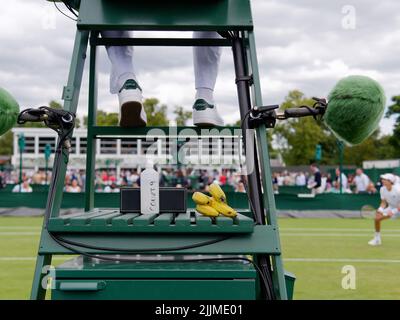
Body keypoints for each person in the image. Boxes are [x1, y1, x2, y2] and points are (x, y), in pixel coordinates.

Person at [368, 173, 400, 246]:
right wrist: (380, 209)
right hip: (392, 207)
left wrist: (394, 211)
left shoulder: (398, 189)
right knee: (377, 218)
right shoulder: (382, 189)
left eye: (385, 179)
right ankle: (377, 239)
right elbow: (383, 203)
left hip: (397, 208)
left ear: (390, 181)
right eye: (382, 179)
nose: (382, 180)